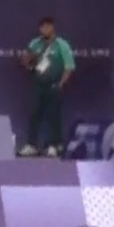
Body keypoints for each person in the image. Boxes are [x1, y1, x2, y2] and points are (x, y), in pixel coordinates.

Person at [18, 16, 75, 158]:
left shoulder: (62, 44)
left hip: (54, 85)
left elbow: (69, 66)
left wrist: (61, 84)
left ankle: (54, 145)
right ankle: (32, 145)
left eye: (48, 26)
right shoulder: (35, 43)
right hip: (38, 85)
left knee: (53, 116)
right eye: (42, 27)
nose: (45, 29)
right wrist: (28, 59)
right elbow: (25, 61)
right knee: (34, 114)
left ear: (53, 27)